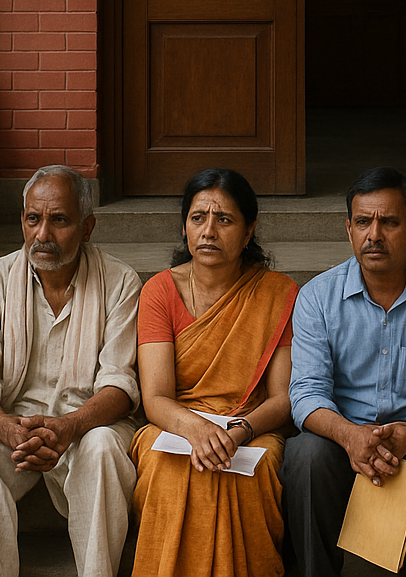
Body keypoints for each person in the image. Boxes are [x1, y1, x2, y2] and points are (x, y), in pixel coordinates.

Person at [283, 167, 406, 577]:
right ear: (348, 229)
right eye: (363, 222)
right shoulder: (317, 296)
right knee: (304, 454)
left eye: (389, 222)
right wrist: (350, 436)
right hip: (344, 443)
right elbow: (306, 393)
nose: (375, 235)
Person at [0, 165, 141, 577]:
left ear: (87, 227)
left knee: (104, 448)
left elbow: (120, 386)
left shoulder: (121, 281)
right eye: (33, 219)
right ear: (22, 220)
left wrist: (69, 427)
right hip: (15, 432)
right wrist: (7, 429)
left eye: (59, 221)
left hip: (88, 425)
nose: (42, 235)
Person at [130, 169, 298, 577]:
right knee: (164, 465)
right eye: (198, 217)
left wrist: (236, 431)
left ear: (248, 229)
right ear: (185, 225)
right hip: (174, 423)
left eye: (224, 220)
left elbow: (283, 399)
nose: (208, 231)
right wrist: (196, 430)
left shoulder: (278, 292)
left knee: (251, 470)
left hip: (250, 425)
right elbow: (154, 398)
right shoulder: (159, 291)